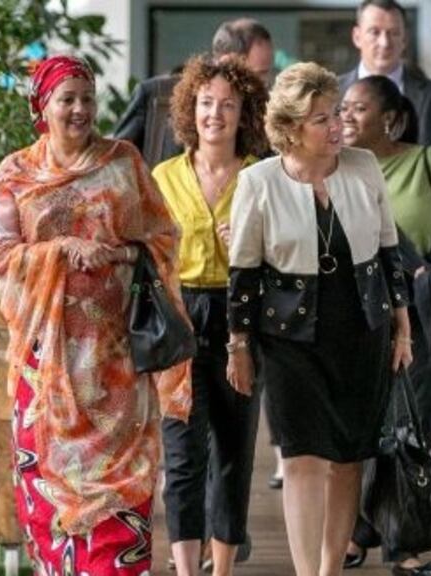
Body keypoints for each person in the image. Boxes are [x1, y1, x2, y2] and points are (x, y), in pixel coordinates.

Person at [0, 55, 191, 576]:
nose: (80, 109)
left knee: (122, 502)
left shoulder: (123, 162)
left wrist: (118, 254)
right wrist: (61, 250)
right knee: (54, 513)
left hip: (116, 366)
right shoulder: (16, 173)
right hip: (47, 372)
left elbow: (163, 239)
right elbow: (5, 257)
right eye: (67, 99)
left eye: (87, 98)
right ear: (43, 106)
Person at [226, 61, 413, 576]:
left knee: (349, 455)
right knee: (303, 457)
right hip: (288, 339)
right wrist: (238, 346)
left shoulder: (362, 166)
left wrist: (402, 324)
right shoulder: (257, 182)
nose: (336, 127)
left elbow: (388, 251)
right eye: (320, 119)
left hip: (361, 331)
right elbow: (243, 274)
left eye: (336, 115)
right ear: (289, 129)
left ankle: (331, 568)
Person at [339, 74, 431, 575]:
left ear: (390, 118)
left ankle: (402, 549)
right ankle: (360, 531)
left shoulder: (426, 161)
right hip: (359, 318)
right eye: (343, 108)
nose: (346, 116)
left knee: (406, 428)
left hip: (420, 315)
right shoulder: (339, 170)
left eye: (358, 108)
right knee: (365, 429)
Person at [152, 54, 269, 576]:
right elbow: (145, 253)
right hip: (180, 318)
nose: (214, 114)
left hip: (241, 317)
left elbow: (283, 255)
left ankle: (220, 569)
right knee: (181, 453)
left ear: (244, 113)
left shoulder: (261, 178)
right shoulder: (162, 176)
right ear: (189, 109)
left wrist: (249, 246)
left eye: (227, 104)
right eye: (205, 103)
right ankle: (183, 568)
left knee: (233, 452)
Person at [337, 0, 431, 189]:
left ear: (405, 39)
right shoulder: (332, 95)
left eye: (393, 33)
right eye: (375, 32)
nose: (384, 42)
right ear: (357, 36)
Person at [114, 18, 274, 167]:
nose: (264, 83)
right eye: (258, 74)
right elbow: (118, 160)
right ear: (228, 61)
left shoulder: (258, 108)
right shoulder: (156, 95)